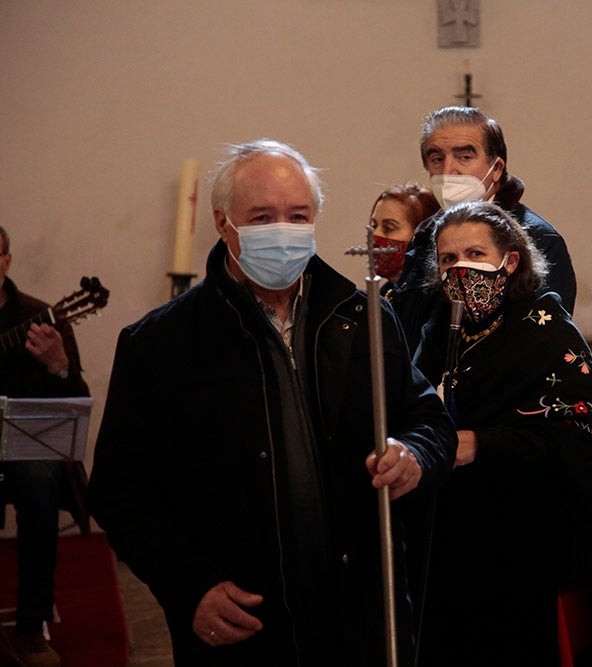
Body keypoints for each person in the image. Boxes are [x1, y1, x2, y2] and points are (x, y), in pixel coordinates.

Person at [86, 139, 457, 666]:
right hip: (243, 617)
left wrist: (415, 454)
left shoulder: (364, 317)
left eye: (297, 215)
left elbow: (428, 420)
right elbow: (121, 493)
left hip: (358, 614)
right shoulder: (159, 345)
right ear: (223, 223)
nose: (283, 229)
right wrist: (189, 587)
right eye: (262, 216)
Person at [412, 201, 592, 666]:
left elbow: (586, 438)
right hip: (461, 542)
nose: (461, 268)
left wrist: (482, 442)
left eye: (476, 254)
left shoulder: (546, 333)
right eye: (448, 258)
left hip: (537, 549)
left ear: (511, 260)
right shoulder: (442, 328)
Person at [390, 106, 577, 347]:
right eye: (437, 159)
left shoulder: (537, 238)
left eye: (464, 157)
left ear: (496, 168)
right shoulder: (425, 237)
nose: (448, 171)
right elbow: (409, 332)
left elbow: (545, 340)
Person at [0, 226, 90, 667]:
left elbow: (75, 397)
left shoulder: (43, 317)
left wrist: (59, 366)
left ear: (6, 262)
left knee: (39, 476)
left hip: (21, 446)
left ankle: (31, 627)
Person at [368, 182, 439, 287]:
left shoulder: (430, 298)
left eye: (388, 228)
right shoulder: (387, 291)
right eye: (374, 226)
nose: (375, 235)